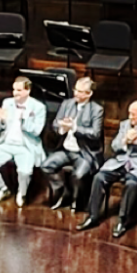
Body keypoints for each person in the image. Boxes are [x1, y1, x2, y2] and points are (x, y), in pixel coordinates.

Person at [77, 100, 137, 238]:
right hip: (121, 163)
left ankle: (123, 221)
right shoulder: (125, 124)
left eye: (133, 115)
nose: (130, 117)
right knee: (99, 177)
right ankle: (93, 216)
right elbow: (114, 146)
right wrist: (124, 141)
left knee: (131, 184)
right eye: (129, 113)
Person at [39, 76, 104, 210]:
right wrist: (62, 127)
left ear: (89, 94)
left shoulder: (96, 110)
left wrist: (74, 127)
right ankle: (64, 190)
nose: (76, 93)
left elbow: (95, 133)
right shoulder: (67, 104)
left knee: (78, 175)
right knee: (46, 166)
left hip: (84, 152)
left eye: (80, 91)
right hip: (65, 149)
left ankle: (77, 200)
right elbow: (55, 124)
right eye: (75, 90)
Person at [0, 76, 47, 207]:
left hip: (26, 146)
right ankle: (1, 189)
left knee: (25, 172)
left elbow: (36, 131)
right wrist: (1, 119)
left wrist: (23, 120)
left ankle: (21, 193)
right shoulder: (7, 103)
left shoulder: (39, 107)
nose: (15, 93)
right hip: (6, 143)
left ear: (27, 91)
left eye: (19, 90)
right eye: (14, 90)